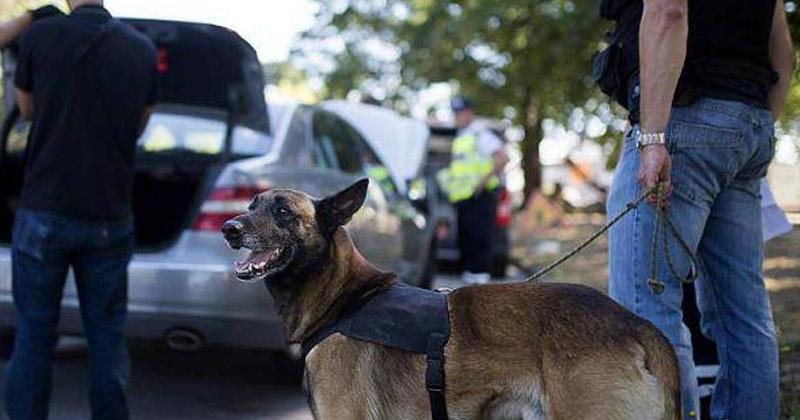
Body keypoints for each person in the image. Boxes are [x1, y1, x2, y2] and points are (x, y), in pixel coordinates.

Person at [602, 0, 795, 418]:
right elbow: (784, 53)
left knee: (644, 313)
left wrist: (653, 135)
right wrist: (750, 125)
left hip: (679, 125)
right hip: (749, 123)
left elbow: (668, 10)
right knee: (743, 315)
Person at [5, 1, 158, 418]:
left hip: (44, 210)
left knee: (34, 333)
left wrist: (32, 17)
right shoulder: (141, 49)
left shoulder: (40, 36)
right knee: (107, 336)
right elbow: (141, 124)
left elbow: (26, 110)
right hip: (109, 216)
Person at [441, 98, 508, 284]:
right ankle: (471, 282)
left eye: (460, 112)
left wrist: (482, 182)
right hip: (464, 199)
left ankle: (480, 284)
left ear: (470, 112)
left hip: (480, 196)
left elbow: (502, 157)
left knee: (479, 241)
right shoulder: (462, 136)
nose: (456, 117)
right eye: (454, 113)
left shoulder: (480, 133)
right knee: (467, 241)